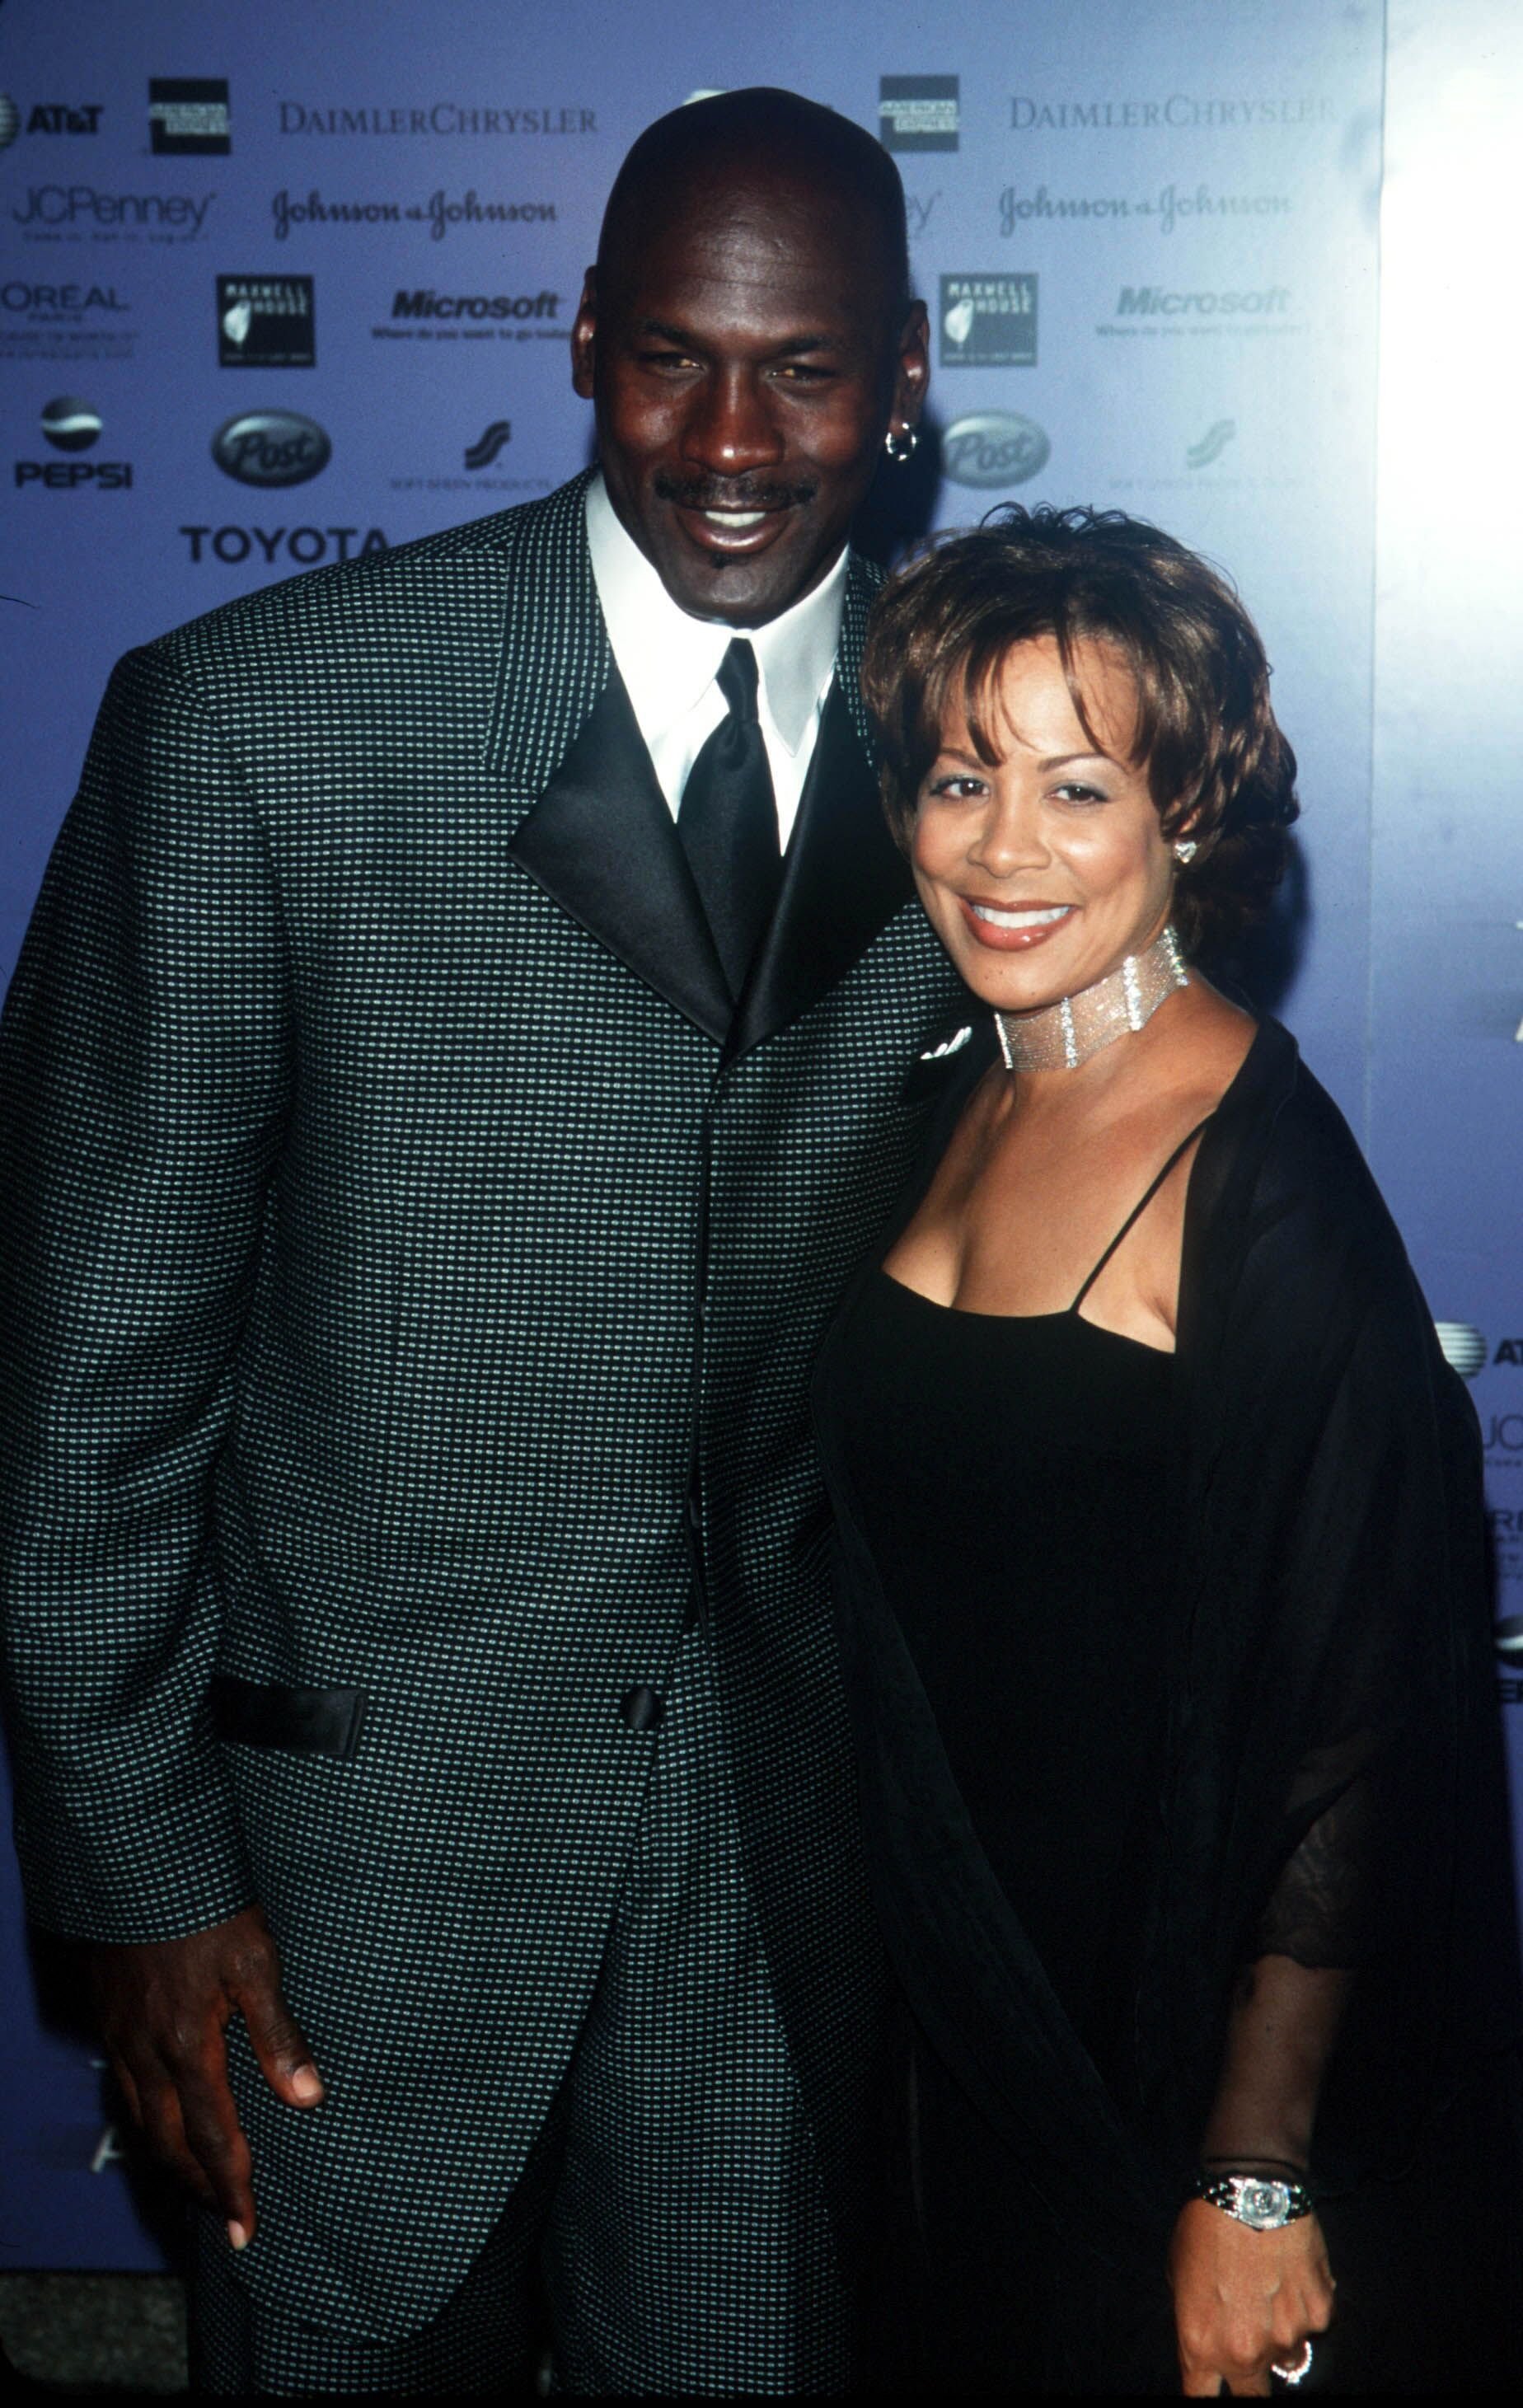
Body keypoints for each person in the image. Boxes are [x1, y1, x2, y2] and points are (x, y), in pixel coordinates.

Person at [0, 89, 964, 2396]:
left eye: (807, 370)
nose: (731, 439)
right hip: (341, 1886)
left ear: (909, 377)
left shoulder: (997, 744)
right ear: (582, 343)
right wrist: (137, 1884)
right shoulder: (260, 726)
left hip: (780, 1883)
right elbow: (84, 1377)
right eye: (670, 359)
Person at [812, 508, 1523, 2394]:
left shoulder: (1266, 1189)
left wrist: (1257, 2174)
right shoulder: (940, 1097)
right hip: (943, 2027)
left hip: (1164, 2058)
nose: (1004, 849)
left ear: (1185, 814)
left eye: (1076, 787)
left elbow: (1359, 1728)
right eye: (961, 779)